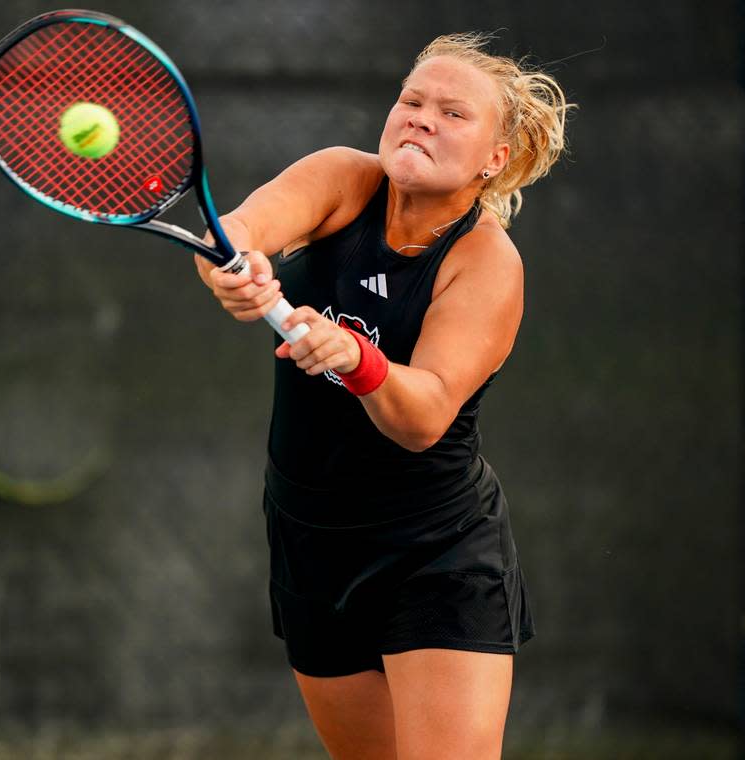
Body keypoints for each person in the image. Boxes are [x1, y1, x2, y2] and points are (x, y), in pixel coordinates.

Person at [194, 32, 571, 760]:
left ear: (495, 158)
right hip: (310, 539)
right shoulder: (344, 177)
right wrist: (232, 269)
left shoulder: (486, 263)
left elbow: (424, 415)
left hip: (435, 550)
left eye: (453, 114)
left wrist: (356, 358)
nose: (422, 118)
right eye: (412, 100)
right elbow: (238, 232)